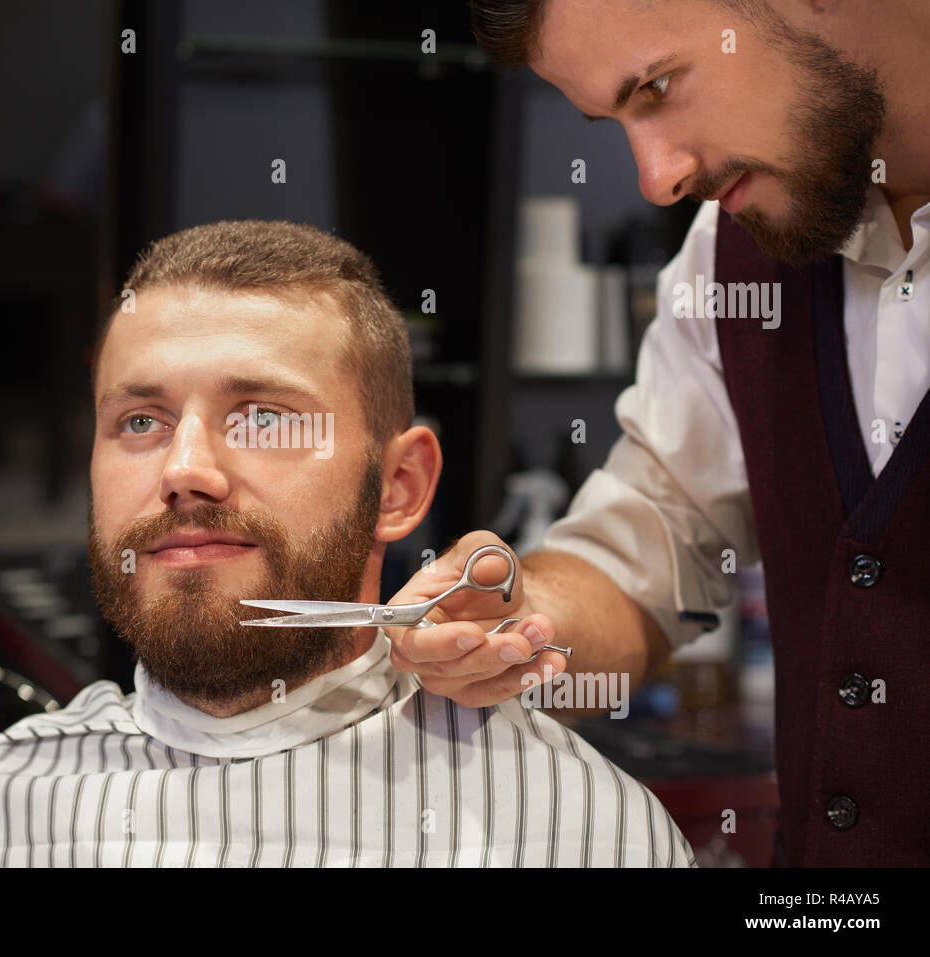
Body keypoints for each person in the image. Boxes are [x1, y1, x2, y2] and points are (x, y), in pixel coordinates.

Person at [0, 220, 694, 867]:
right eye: (140, 421)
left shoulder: (566, 827)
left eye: (262, 418)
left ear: (398, 487)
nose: (186, 469)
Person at [384, 0, 929, 866]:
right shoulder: (732, 258)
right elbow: (653, 545)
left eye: (661, 87)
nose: (656, 178)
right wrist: (520, 618)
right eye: (614, 122)